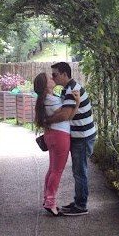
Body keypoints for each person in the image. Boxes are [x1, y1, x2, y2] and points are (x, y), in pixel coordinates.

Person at [45, 62, 97, 216]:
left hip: (83, 137)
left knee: (79, 172)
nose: (53, 78)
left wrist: (46, 121)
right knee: (78, 171)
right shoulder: (67, 89)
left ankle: (81, 206)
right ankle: (79, 201)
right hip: (81, 135)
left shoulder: (72, 90)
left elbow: (65, 115)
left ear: (64, 74)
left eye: (55, 74)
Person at [33, 72, 80, 216]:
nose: (52, 78)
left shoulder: (45, 100)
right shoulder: (52, 100)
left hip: (51, 135)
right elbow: (67, 116)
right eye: (49, 78)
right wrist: (77, 103)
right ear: (46, 86)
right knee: (57, 171)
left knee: (52, 170)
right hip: (60, 136)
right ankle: (50, 202)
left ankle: (47, 199)